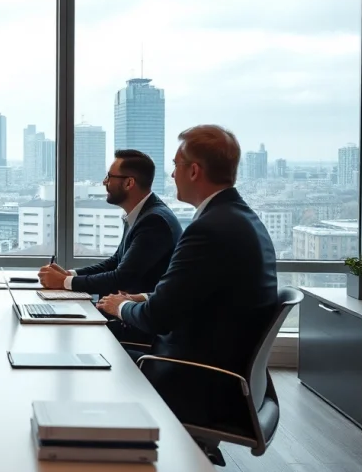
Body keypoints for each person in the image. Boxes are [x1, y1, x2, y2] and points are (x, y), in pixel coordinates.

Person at [95, 125, 278, 430]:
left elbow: (157, 319)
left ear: (194, 171)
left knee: (97, 358)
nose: (172, 175)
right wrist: (141, 297)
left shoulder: (209, 229)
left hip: (197, 379)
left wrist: (119, 307)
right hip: (224, 373)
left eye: (176, 166)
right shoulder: (241, 218)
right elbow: (202, 295)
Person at [38, 149, 182, 345]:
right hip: (125, 317)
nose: (104, 182)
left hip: (139, 328)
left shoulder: (154, 221)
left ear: (129, 183)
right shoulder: (142, 214)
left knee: (62, 336)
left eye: (109, 176)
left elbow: (122, 277)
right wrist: (69, 275)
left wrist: (64, 283)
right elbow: (115, 262)